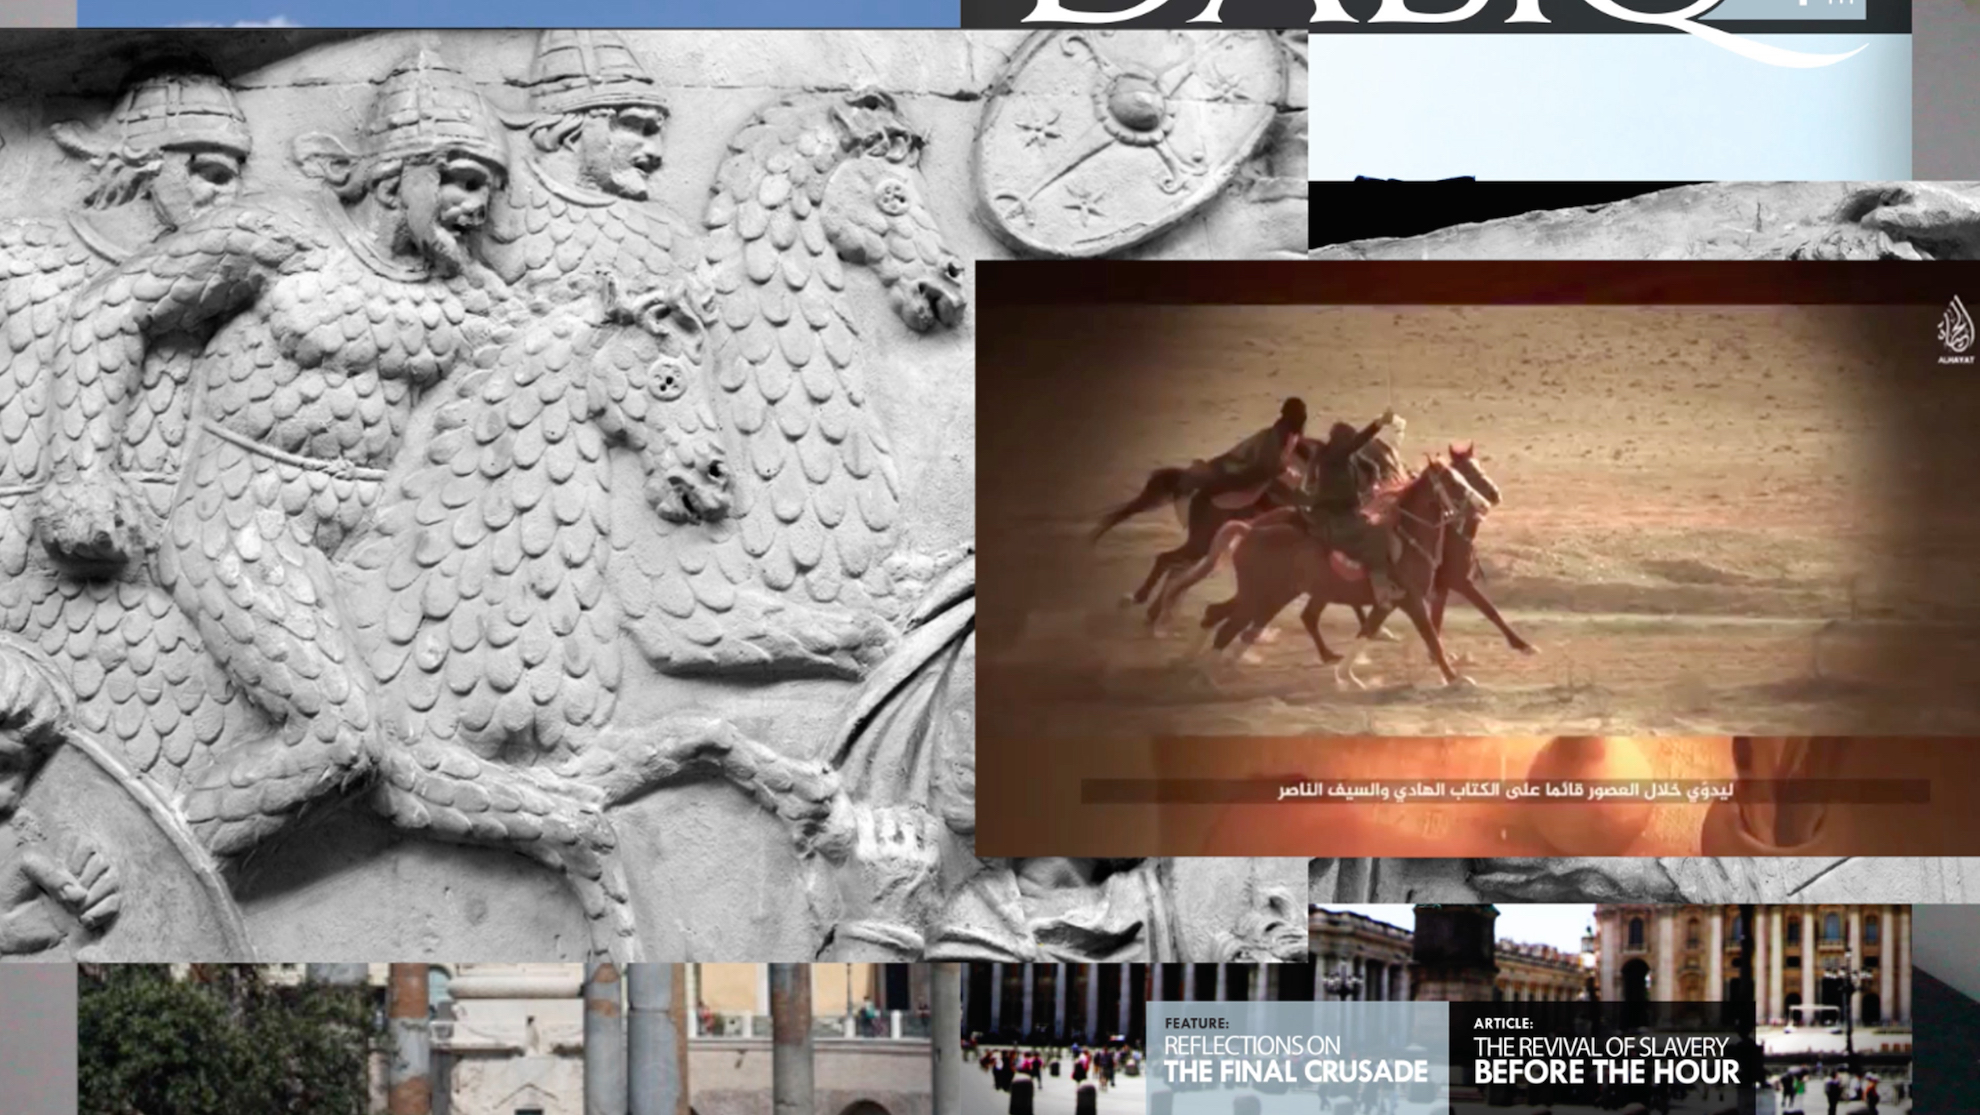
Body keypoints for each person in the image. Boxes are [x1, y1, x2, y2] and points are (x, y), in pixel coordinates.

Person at [1291, 408, 1404, 604]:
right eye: (1349, 441)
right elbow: (1357, 444)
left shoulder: (1347, 458)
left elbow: (1370, 465)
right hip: (1333, 519)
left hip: (1347, 515)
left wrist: (1374, 483)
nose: (1353, 446)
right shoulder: (1333, 456)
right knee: (1375, 534)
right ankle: (1381, 588)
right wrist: (1378, 423)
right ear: (1341, 442)